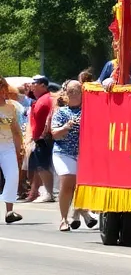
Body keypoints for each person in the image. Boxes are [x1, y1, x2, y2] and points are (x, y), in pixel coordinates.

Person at [49, 81, 95, 232]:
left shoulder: (89, 111)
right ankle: (64, 219)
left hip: (83, 154)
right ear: (66, 94)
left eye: (77, 91)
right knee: (68, 182)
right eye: (71, 91)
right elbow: (55, 134)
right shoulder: (61, 112)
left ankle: (80, 211)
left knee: (81, 185)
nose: (74, 94)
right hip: (63, 152)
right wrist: (66, 127)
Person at [24, 75, 56, 203]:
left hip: (44, 138)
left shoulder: (47, 99)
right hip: (39, 138)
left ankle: (49, 193)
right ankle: (44, 191)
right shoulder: (41, 99)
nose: (32, 86)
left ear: (43, 85)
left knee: (44, 167)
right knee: (40, 167)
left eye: (34, 84)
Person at [0, 79, 23, 223]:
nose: (2, 93)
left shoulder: (10, 107)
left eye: (3, 89)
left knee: (13, 175)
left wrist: (20, 148)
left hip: (7, 146)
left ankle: (10, 211)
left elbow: (15, 130)